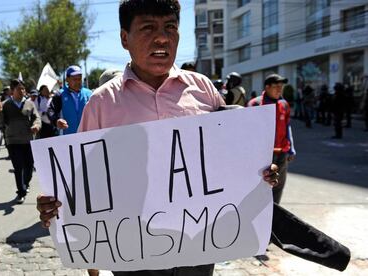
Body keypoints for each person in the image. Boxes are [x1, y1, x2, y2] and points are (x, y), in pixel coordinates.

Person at [37, 1, 279, 276]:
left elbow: (227, 159)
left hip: (200, 245)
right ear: (124, 38)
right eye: (148, 27)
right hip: (131, 251)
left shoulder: (203, 89)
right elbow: (82, 182)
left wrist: (259, 173)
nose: (162, 37)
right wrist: (56, 205)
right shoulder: (102, 103)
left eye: (170, 27)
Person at [248, 74, 295, 204]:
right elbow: (249, 131)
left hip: (282, 153)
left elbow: (287, 126)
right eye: (276, 86)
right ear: (267, 87)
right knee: (260, 188)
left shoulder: (284, 104)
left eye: (281, 87)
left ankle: (274, 216)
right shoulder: (256, 104)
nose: (279, 90)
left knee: (278, 187)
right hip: (264, 155)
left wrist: (291, 148)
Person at [0, 79, 41, 204]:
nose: (22, 91)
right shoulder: (5, 105)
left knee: (29, 166)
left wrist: (36, 125)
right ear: (12, 91)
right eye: (18, 89)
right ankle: (21, 192)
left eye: (23, 88)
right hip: (13, 141)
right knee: (18, 167)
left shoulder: (30, 104)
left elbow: (37, 118)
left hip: (28, 140)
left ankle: (25, 183)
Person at [47, 65, 93, 135]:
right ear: (67, 79)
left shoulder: (89, 94)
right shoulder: (60, 95)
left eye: (79, 79)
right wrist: (56, 121)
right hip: (68, 138)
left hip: (88, 136)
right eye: (74, 79)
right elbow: (51, 110)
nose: (78, 82)